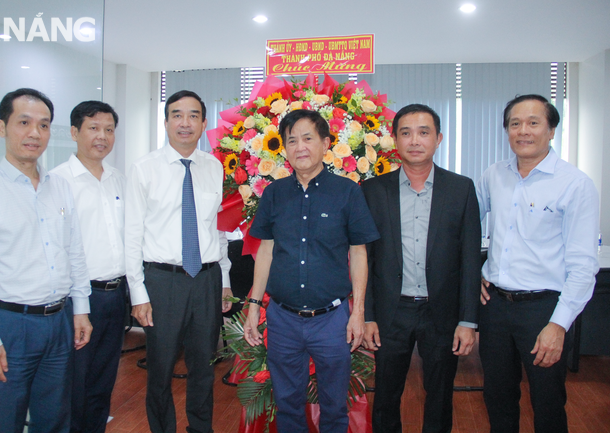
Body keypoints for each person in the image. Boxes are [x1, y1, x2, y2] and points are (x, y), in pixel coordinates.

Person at [0, 88, 92, 432]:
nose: (35, 133)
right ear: (3, 127)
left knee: (55, 418)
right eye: (24, 122)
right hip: (11, 325)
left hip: (59, 322)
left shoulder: (58, 187)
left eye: (44, 125)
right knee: (5, 421)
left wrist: (81, 309)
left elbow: (74, 250)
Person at [243, 109, 380, 433]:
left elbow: (358, 253)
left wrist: (357, 312)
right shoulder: (274, 194)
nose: (300, 146)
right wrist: (253, 306)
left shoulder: (348, 192)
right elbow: (266, 250)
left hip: (332, 320)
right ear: (285, 148)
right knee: (287, 406)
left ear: (326, 144)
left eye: (308, 138)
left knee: (334, 407)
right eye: (292, 140)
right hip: (283, 319)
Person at [477, 94, 599, 433]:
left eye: (533, 123)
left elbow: (582, 264)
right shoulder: (493, 175)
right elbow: (464, 225)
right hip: (495, 306)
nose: (523, 131)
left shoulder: (575, 184)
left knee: (547, 401)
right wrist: (474, 272)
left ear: (551, 130)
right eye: (515, 124)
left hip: (544, 308)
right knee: (498, 397)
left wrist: (558, 325)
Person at [362, 104, 481, 433]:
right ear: (395, 140)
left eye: (424, 132)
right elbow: (365, 260)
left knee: (441, 395)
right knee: (386, 395)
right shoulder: (373, 191)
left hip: (441, 312)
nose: (415, 140)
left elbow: (471, 259)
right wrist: (367, 314)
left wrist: (468, 320)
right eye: (406, 132)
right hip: (391, 312)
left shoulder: (461, 189)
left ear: (439, 138)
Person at [125, 90, 233, 433]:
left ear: (203, 122)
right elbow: (131, 235)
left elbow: (218, 230)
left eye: (192, 115)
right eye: (176, 115)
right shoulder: (144, 169)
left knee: (204, 364)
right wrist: (138, 294)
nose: (184, 123)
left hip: (206, 279)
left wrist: (225, 281)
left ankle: (200, 428)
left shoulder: (214, 167)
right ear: (167, 120)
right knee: (160, 365)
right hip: (162, 281)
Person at [51, 101, 125, 433]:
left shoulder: (118, 180)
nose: (102, 136)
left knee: (102, 382)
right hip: (76, 300)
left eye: (109, 129)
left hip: (115, 295)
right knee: (70, 385)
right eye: (93, 128)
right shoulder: (57, 182)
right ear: (74, 132)